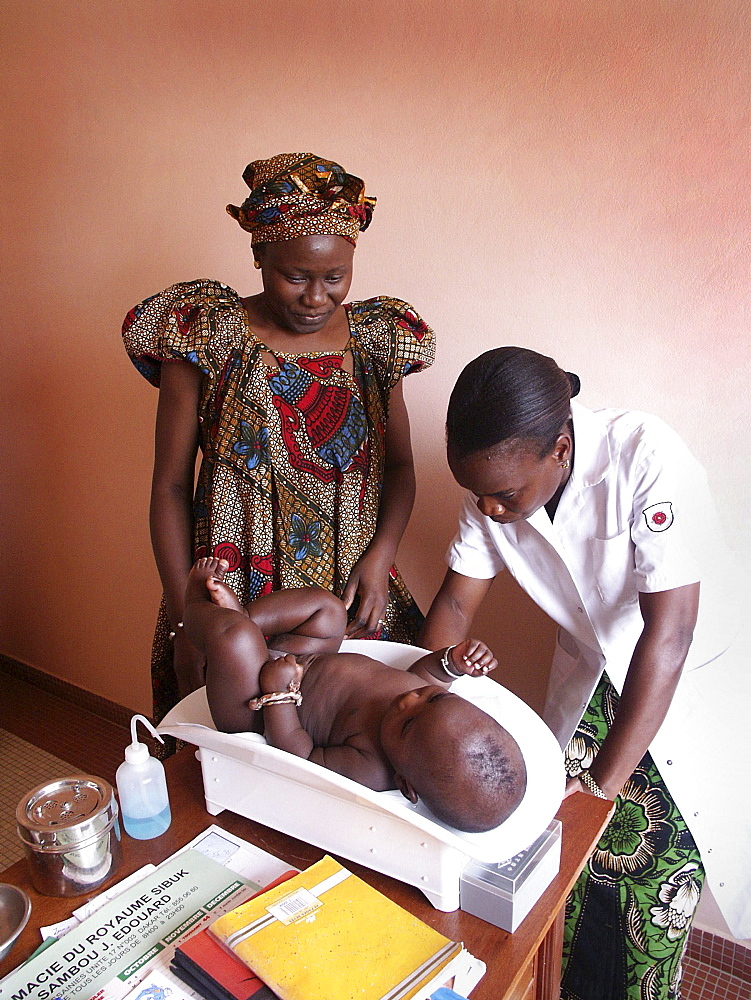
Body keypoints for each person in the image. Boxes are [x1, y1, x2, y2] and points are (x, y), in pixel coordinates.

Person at [419, 347, 750, 999]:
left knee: (648, 898)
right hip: (594, 678)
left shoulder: (644, 456)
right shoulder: (495, 488)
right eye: (477, 494)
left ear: (561, 449)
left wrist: (600, 788)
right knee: (557, 874)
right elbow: (454, 604)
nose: (487, 510)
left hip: (680, 686)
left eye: (503, 496)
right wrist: (423, 700)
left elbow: (670, 632)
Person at [122, 153, 434, 723]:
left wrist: (381, 558)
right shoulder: (206, 334)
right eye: (295, 276)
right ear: (260, 254)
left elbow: (401, 469)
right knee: (225, 755)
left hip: (347, 591)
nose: (316, 298)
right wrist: (188, 618)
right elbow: (168, 485)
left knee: (352, 745)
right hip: (230, 599)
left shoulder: (376, 342)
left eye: (334, 278)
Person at [183, 555, 527, 834]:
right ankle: (245, 617)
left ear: (405, 783)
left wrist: (278, 694)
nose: (409, 700)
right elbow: (423, 674)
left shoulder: (371, 769)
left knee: (237, 639)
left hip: (254, 708)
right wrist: (451, 661)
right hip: (305, 657)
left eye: (406, 724)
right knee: (329, 610)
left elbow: (300, 757)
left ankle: (195, 610)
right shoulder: (422, 703)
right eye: (434, 697)